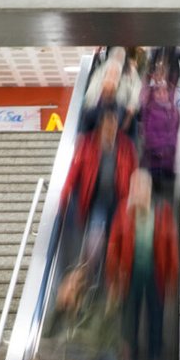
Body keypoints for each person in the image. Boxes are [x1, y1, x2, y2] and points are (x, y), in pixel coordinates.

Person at [105, 171, 178, 360]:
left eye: (140, 187)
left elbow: (171, 245)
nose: (136, 192)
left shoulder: (163, 211)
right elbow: (113, 245)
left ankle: (155, 354)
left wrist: (172, 276)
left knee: (156, 315)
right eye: (133, 187)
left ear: (148, 189)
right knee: (131, 316)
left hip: (156, 273)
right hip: (130, 274)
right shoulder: (123, 211)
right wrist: (112, 279)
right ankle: (133, 355)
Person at [63, 108, 136, 277]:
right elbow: (75, 169)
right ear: (101, 126)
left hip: (119, 199)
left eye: (114, 126)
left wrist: (132, 198)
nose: (111, 129)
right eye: (108, 126)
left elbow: (134, 172)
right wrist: (66, 190)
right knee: (95, 233)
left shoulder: (126, 145)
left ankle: (110, 270)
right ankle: (90, 272)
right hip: (98, 200)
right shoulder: (88, 144)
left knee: (115, 235)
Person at [138, 59, 180, 202]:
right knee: (157, 196)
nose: (162, 94)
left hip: (171, 163)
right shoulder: (150, 109)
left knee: (169, 198)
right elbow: (149, 134)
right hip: (155, 161)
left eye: (164, 92)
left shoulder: (173, 109)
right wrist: (161, 150)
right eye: (159, 92)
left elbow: (176, 131)